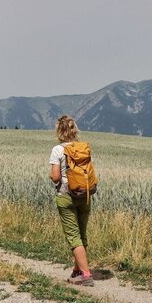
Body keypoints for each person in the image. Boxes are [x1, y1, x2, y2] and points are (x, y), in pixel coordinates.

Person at [49, 115, 94, 286]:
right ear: (74, 129)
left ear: (59, 131)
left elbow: (55, 177)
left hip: (66, 197)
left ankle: (86, 275)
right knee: (82, 234)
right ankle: (77, 270)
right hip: (85, 195)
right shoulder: (83, 148)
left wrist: (53, 177)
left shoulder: (57, 150)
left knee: (74, 237)